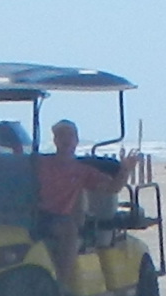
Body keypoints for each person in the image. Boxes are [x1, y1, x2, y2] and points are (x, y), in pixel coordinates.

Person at [33, 117, 115, 284]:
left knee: (69, 231)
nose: (66, 140)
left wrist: (125, 170)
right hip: (33, 214)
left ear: (76, 140)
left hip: (60, 218)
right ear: (55, 140)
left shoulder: (82, 170)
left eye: (70, 136)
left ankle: (61, 284)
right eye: (61, 136)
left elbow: (112, 188)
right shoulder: (40, 163)